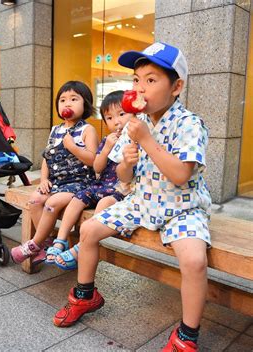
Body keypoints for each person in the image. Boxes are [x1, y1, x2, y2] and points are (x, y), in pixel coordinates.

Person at [53, 42, 211, 352]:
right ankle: (86, 296)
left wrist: (147, 142)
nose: (140, 87)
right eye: (136, 80)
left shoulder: (190, 124)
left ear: (176, 86)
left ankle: (187, 336)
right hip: (141, 201)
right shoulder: (134, 126)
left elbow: (181, 174)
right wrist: (126, 162)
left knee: (194, 260)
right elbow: (124, 180)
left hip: (183, 207)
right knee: (88, 230)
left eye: (151, 80)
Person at [44, 90, 133, 271]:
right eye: (109, 118)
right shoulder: (108, 140)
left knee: (105, 202)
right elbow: (98, 167)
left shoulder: (136, 140)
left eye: (122, 114)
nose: (116, 121)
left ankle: (81, 246)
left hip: (121, 189)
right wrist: (107, 147)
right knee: (78, 199)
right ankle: (60, 240)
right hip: (101, 184)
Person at [11, 81, 98, 264]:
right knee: (35, 199)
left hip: (80, 183)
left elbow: (93, 160)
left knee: (51, 203)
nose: (67, 104)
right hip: (57, 182)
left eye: (74, 99)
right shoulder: (55, 130)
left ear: (86, 104)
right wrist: (43, 179)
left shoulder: (87, 130)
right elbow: (47, 158)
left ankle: (34, 244)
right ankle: (46, 244)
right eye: (62, 100)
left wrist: (73, 147)